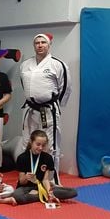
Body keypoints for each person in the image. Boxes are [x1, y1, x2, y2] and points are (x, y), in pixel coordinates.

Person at [20, 33, 72, 183]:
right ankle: (28, 179)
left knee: (51, 144)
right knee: (28, 142)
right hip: (30, 109)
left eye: (43, 42)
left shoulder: (57, 64)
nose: (40, 45)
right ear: (34, 45)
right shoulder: (25, 64)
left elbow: (65, 88)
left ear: (49, 45)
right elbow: (25, 85)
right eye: (37, 43)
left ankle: (52, 180)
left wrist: (53, 103)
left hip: (48, 110)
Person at [12, 129, 77, 205]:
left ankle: (43, 195)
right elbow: (22, 182)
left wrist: (49, 193)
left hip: (41, 187)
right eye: (38, 144)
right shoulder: (22, 157)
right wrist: (26, 177)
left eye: (43, 145)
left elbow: (45, 180)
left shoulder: (47, 158)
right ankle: (43, 196)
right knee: (17, 196)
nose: (40, 148)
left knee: (73, 192)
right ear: (31, 142)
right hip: (26, 188)